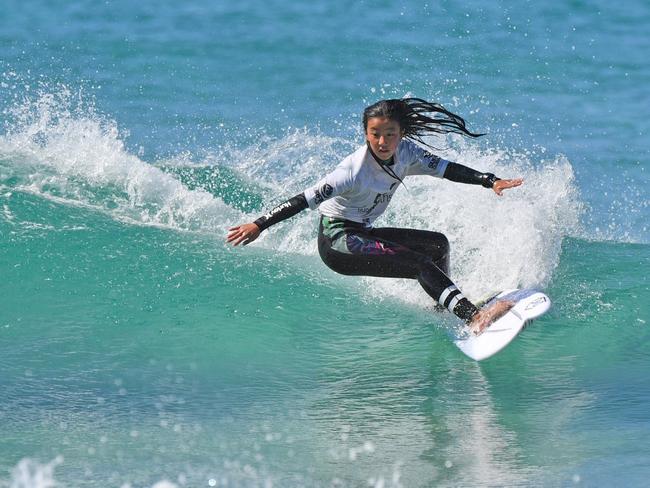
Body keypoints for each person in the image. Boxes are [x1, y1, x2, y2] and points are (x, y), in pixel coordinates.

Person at [226, 98, 523, 334]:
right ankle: (472, 318)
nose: (382, 142)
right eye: (375, 134)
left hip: (362, 232)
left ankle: (445, 307)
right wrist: (259, 224)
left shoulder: (407, 152)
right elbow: (303, 199)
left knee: (437, 246)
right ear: (366, 133)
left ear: (401, 134)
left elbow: (448, 169)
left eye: (389, 134)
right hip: (338, 242)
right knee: (419, 263)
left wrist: (489, 180)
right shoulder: (351, 171)